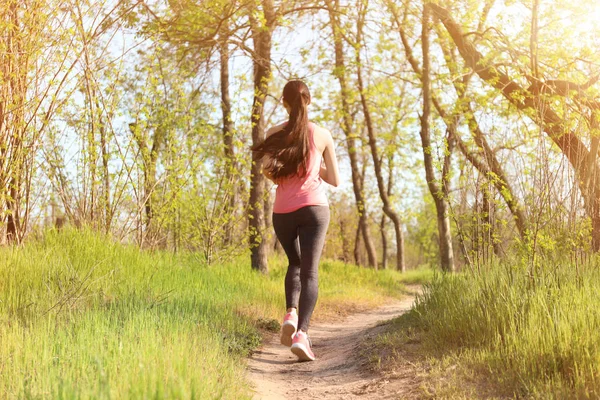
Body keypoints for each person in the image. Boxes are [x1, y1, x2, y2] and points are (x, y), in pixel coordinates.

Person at [252, 80, 340, 361]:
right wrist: (314, 164)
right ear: (309, 101)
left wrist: (287, 170)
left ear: (284, 103)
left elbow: (267, 169)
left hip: (283, 211)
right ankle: (301, 333)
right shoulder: (323, 134)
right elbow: (335, 180)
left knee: (295, 263)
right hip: (314, 208)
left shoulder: (274, 133)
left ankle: (290, 311)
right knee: (310, 272)